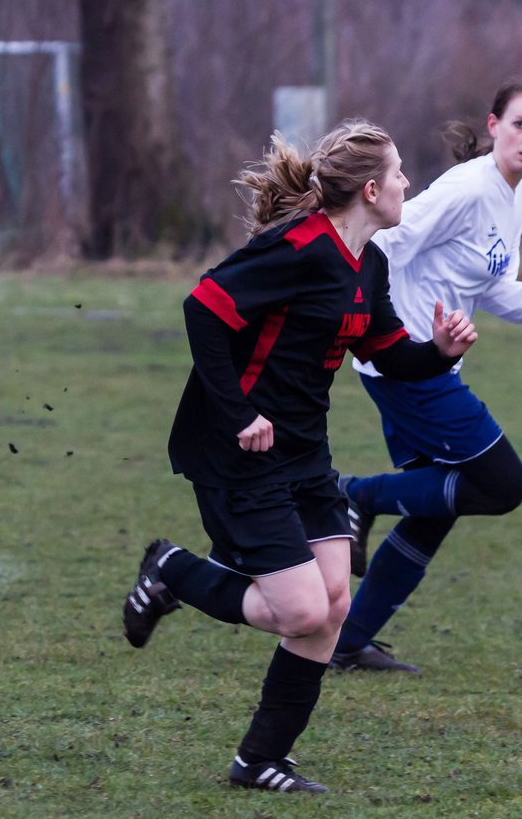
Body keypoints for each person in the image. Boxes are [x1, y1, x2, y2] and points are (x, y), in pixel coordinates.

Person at [121, 120, 478, 793]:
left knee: (334, 603)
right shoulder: (298, 248)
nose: (408, 183)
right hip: (238, 451)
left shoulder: (366, 264)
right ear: (371, 190)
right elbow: (204, 309)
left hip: (306, 455)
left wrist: (440, 354)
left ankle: (260, 760)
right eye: (400, 173)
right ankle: (171, 569)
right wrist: (240, 415)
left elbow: (386, 353)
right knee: (302, 612)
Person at [330, 78, 522, 674]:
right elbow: (384, 242)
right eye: (520, 124)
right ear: (493, 126)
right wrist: (379, 331)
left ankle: (346, 641)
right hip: (408, 364)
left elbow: (494, 287)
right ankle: (355, 494)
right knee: (501, 484)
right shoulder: (467, 188)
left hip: (427, 362)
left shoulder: (515, 194)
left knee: (434, 510)